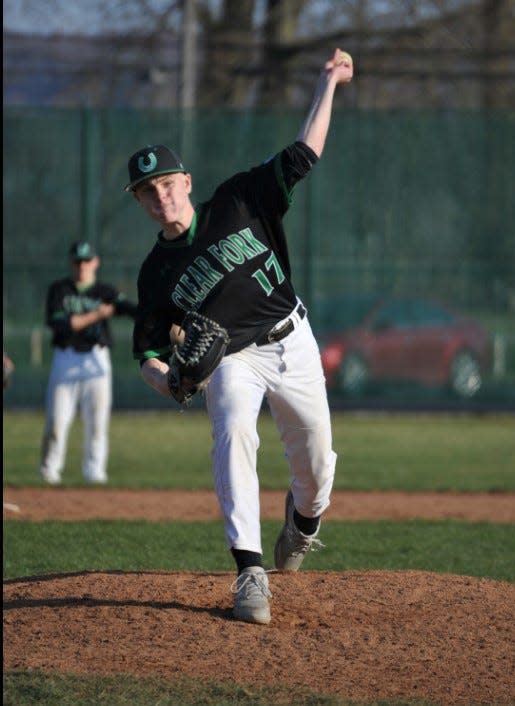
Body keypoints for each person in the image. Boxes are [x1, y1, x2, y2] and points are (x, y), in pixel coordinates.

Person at [127, 48, 353, 625]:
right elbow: (147, 356)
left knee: (318, 466)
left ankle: (302, 525)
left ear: (187, 182)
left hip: (292, 338)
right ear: (140, 203)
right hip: (231, 359)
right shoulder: (156, 273)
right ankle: (249, 571)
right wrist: (173, 381)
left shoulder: (239, 198)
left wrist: (328, 82)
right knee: (232, 435)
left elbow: (305, 153)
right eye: (148, 192)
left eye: (168, 184)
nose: (161, 198)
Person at [39, 241, 137, 485]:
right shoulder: (59, 290)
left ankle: (95, 473)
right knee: (56, 422)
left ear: (96, 262)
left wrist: (156, 316)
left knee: (97, 421)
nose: (82, 266)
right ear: (70, 263)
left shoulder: (105, 291)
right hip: (66, 357)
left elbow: (129, 308)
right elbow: (62, 324)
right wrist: (98, 314)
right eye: (77, 261)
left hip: (97, 358)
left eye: (87, 260)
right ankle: (49, 472)